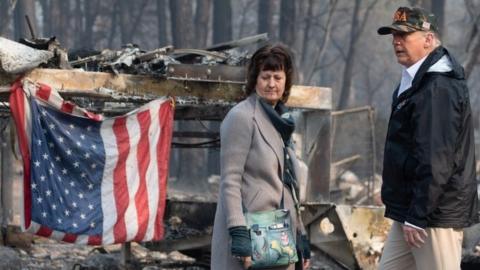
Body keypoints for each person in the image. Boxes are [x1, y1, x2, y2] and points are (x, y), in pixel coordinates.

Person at [377, 6, 479, 270]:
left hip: (433, 216)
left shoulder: (438, 87)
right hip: (411, 212)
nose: (396, 41)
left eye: (405, 35)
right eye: (394, 35)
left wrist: (418, 215)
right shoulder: (416, 81)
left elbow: (437, 159)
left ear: (429, 39)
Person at [211, 44, 310, 270]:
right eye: (265, 77)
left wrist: (301, 235)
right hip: (251, 234)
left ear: (287, 80)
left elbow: (288, 186)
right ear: (255, 79)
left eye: (278, 76)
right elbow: (230, 181)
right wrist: (238, 232)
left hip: (279, 238)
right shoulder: (242, 117)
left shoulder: (282, 121)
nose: (272, 84)